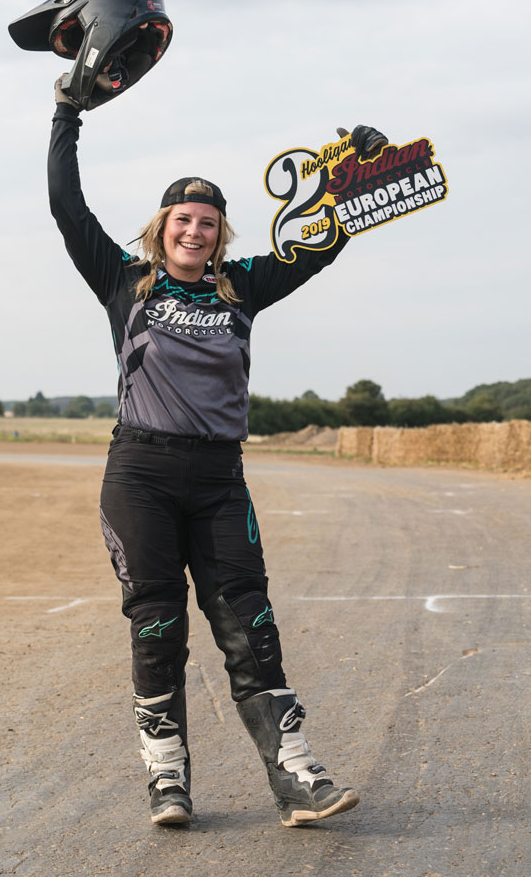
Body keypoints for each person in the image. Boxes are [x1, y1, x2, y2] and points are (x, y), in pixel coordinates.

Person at [48, 75, 384, 828]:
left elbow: (317, 248)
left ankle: (298, 779)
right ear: (162, 225)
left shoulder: (244, 287)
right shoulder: (124, 284)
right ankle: (168, 781)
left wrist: (354, 178)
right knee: (157, 625)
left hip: (219, 479)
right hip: (140, 473)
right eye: (183, 219)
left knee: (250, 625)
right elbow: (68, 209)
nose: (195, 231)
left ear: (221, 234)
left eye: (208, 223)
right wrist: (66, 116)